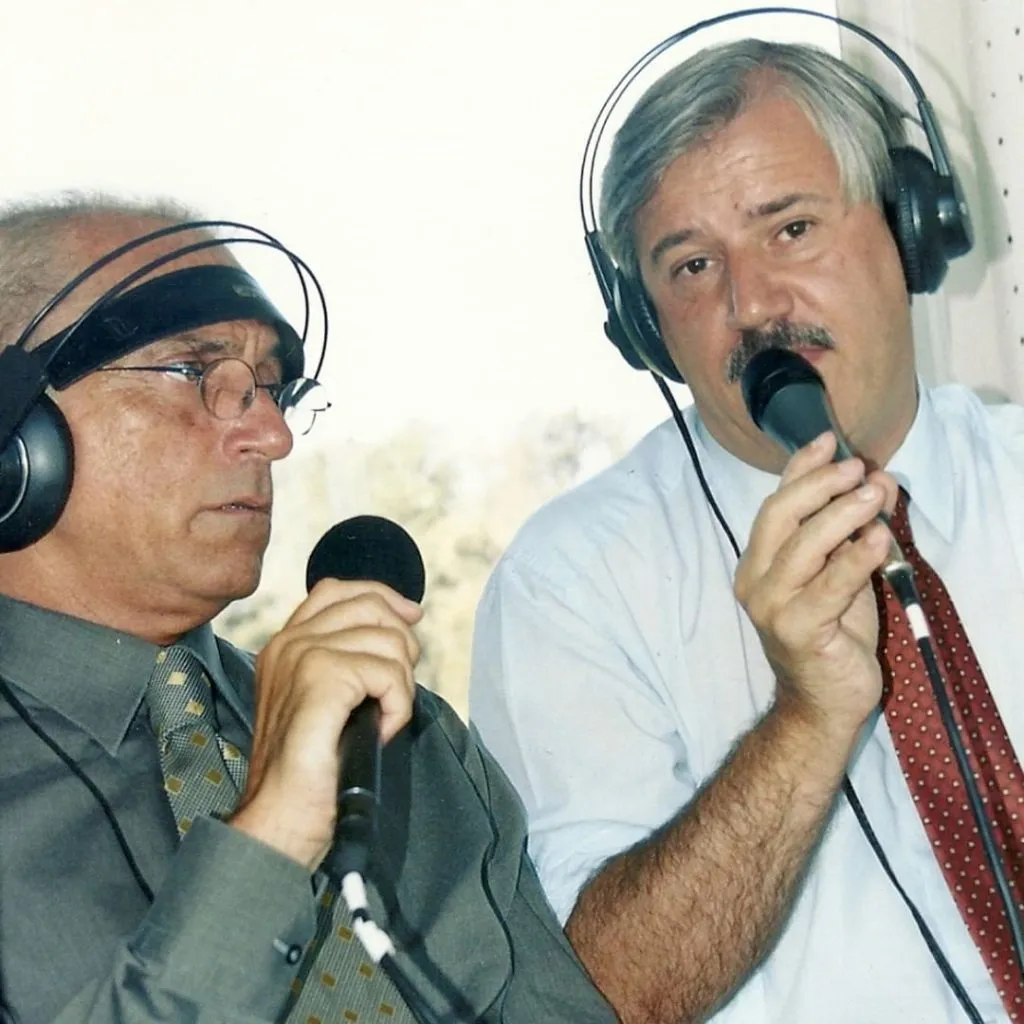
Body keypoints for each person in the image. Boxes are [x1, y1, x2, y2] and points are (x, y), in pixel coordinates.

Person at [469, 33, 1024, 1024]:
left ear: (909, 229)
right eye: (690, 265)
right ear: (643, 326)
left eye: (791, 228)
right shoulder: (571, 582)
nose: (752, 305)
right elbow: (606, 999)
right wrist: (807, 719)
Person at [0, 196, 616, 1024]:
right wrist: (274, 834)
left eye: (270, 388)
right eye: (193, 372)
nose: (274, 436)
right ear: (16, 435)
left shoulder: (405, 742)